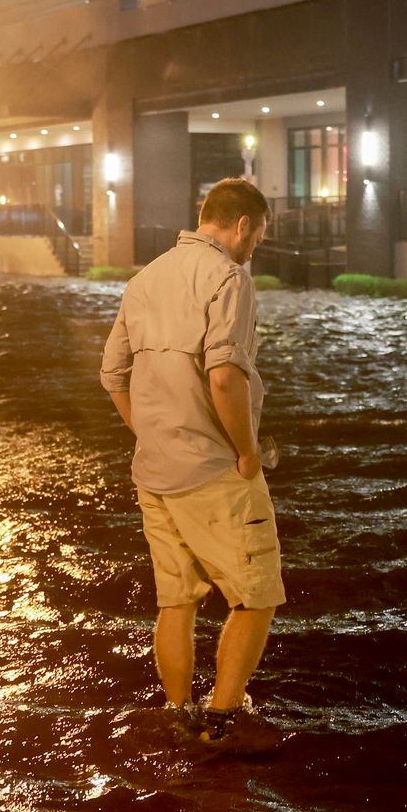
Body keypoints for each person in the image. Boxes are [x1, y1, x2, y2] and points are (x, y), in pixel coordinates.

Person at [100, 177, 281, 744]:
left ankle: (178, 713)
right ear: (243, 225)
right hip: (212, 472)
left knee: (176, 601)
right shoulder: (230, 277)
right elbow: (225, 376)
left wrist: (152, 433)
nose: (255, 249)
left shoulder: (144, 278)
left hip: (154, 472)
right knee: (256, 595)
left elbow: (112, 376)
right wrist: (247, 453)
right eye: (258, 237)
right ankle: (223, 722)